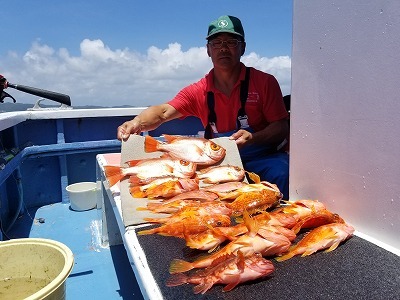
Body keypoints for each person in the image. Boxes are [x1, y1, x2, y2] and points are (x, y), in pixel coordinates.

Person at [117, 15, 290, 199]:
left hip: (262, 157)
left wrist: (253, 138)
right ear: (208, 50)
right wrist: (137, 123)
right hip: (220, 162)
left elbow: (281, 127)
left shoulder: (265, 83)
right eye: (216, 43)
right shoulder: (198, 91)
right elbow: (163, 112)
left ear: (243, 47)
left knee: (283, 172)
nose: (223, 48)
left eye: (231, 42)